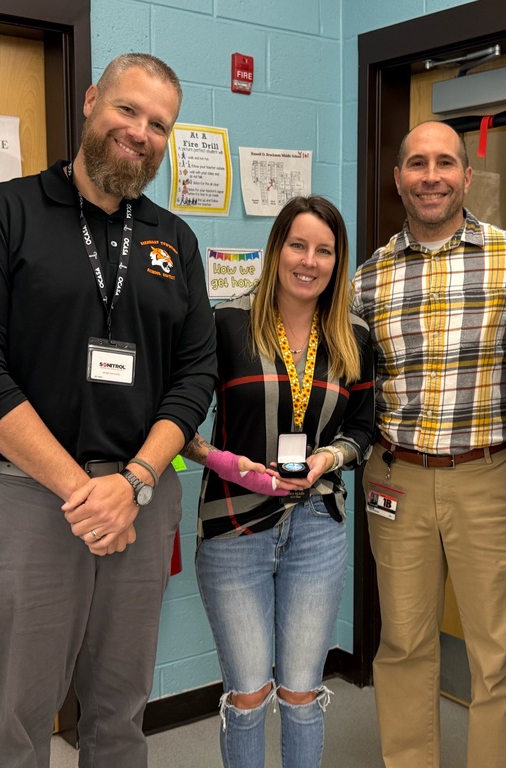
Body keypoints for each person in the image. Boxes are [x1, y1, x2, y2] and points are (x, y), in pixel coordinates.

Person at [0, 53, 216, 768]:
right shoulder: (4, 214)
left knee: (121, 715)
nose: (141, 132)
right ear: (92, 102)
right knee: (19, 724)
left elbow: (195, 375)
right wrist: (83, 491)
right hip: (32, 500)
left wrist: (133, 485)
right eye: (128, 110)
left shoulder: (173, 242)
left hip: (139, 503)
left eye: (160, 124)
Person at [351, 120, 506, 768]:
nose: (431, 176)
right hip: (394, 477)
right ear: (398, 177)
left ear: (467, 176)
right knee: (403, 645)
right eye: (417, 164)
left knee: (497, 653)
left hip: (489, 473)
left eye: (445, 163)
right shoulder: (367, 277)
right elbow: (345, 378)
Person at [181, 195, 374, 768]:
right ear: (276, 249)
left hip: (317, 524)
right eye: (298, 245)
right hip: (234, 522)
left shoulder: (353, 334)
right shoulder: (226, 324)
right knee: (247, 695)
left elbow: (363, 427)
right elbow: (179, 424)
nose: (309, 261)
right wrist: (223, 462)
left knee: (301, 692)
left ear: (338, 261)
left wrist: (329, 459)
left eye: (325, 250)